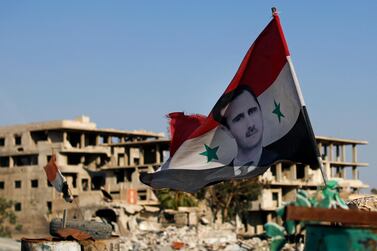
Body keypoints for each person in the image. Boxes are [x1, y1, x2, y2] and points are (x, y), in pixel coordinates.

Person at [212, 85, 264, 177]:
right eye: (239, 118)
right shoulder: (220, 176)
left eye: (252, 111)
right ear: (227, 130)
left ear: (260, 111)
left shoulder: (278, 159)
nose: (250, 124)